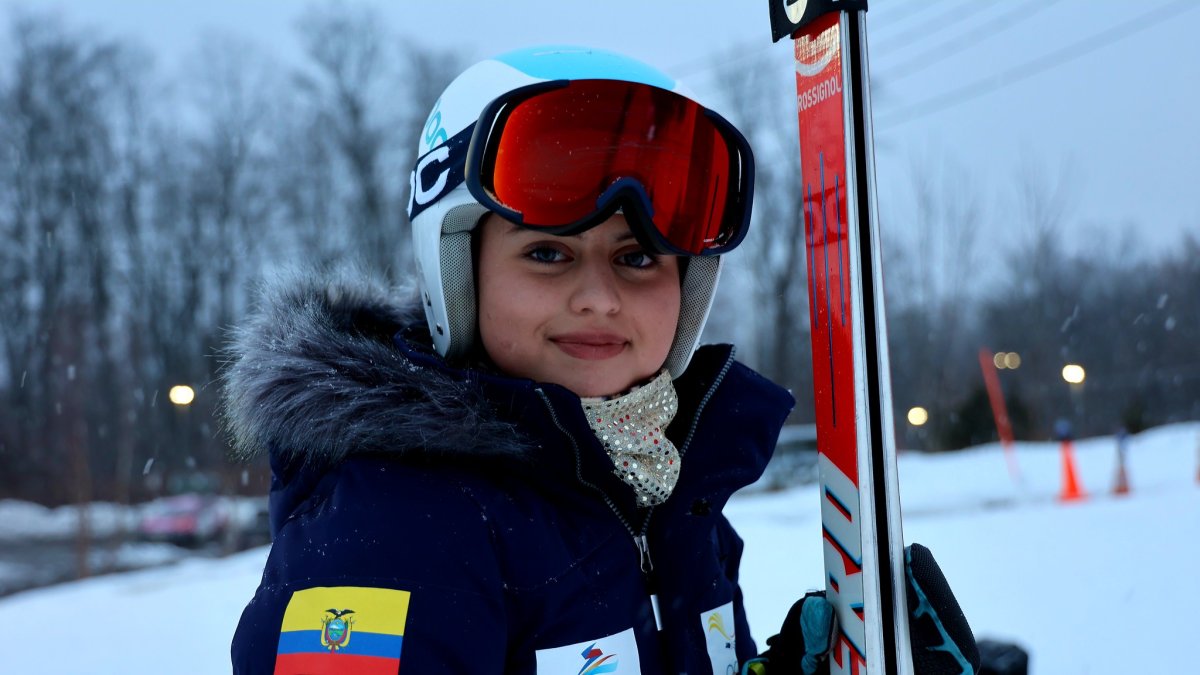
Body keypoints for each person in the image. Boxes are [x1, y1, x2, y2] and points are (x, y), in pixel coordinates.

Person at [224, 45, 978, 674]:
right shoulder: (394, 526)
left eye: (638, 256)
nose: (599, 297)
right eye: (548, 253)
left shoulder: (668, 495)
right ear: (455, 273)